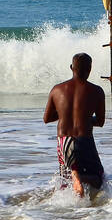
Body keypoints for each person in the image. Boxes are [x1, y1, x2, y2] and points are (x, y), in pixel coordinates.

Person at [42, 52, 107, 197]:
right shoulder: (97, 91)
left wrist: (65, 114)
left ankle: (72, 212)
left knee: (66, 181)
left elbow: (46, 118)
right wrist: (85, 118)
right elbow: (101, 121)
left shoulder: (56, 89)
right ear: (90, 69)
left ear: (71, 67)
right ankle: (81, 178)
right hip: (84, 139)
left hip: (63, 141)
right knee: (98, 179)